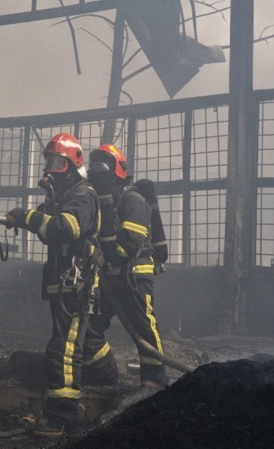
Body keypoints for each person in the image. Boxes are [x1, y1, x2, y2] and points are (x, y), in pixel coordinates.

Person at [3, 132, 101, 437]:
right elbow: (46, 225)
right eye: (49, 161)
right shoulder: (61, 195)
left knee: (65, 347)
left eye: (58, 161)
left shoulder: (82, 195)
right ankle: (105, 374)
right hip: (64, 280)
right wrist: (19, 220)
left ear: (72, 165)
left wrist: (28, 216)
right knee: (73, 342)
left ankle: (62, 417)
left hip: (77, 282)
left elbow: (62, 229)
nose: (51, 168)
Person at [84, 144, 168, 391]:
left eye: (103, 167)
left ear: (117, 170)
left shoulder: (133, 200)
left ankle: (154, 381)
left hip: (133, 277)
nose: (97, 173)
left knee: (144, 329)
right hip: (106, 279)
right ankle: (104, 373)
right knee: (88, 328)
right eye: (94, 167)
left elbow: (127, 248)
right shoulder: (97, 201)